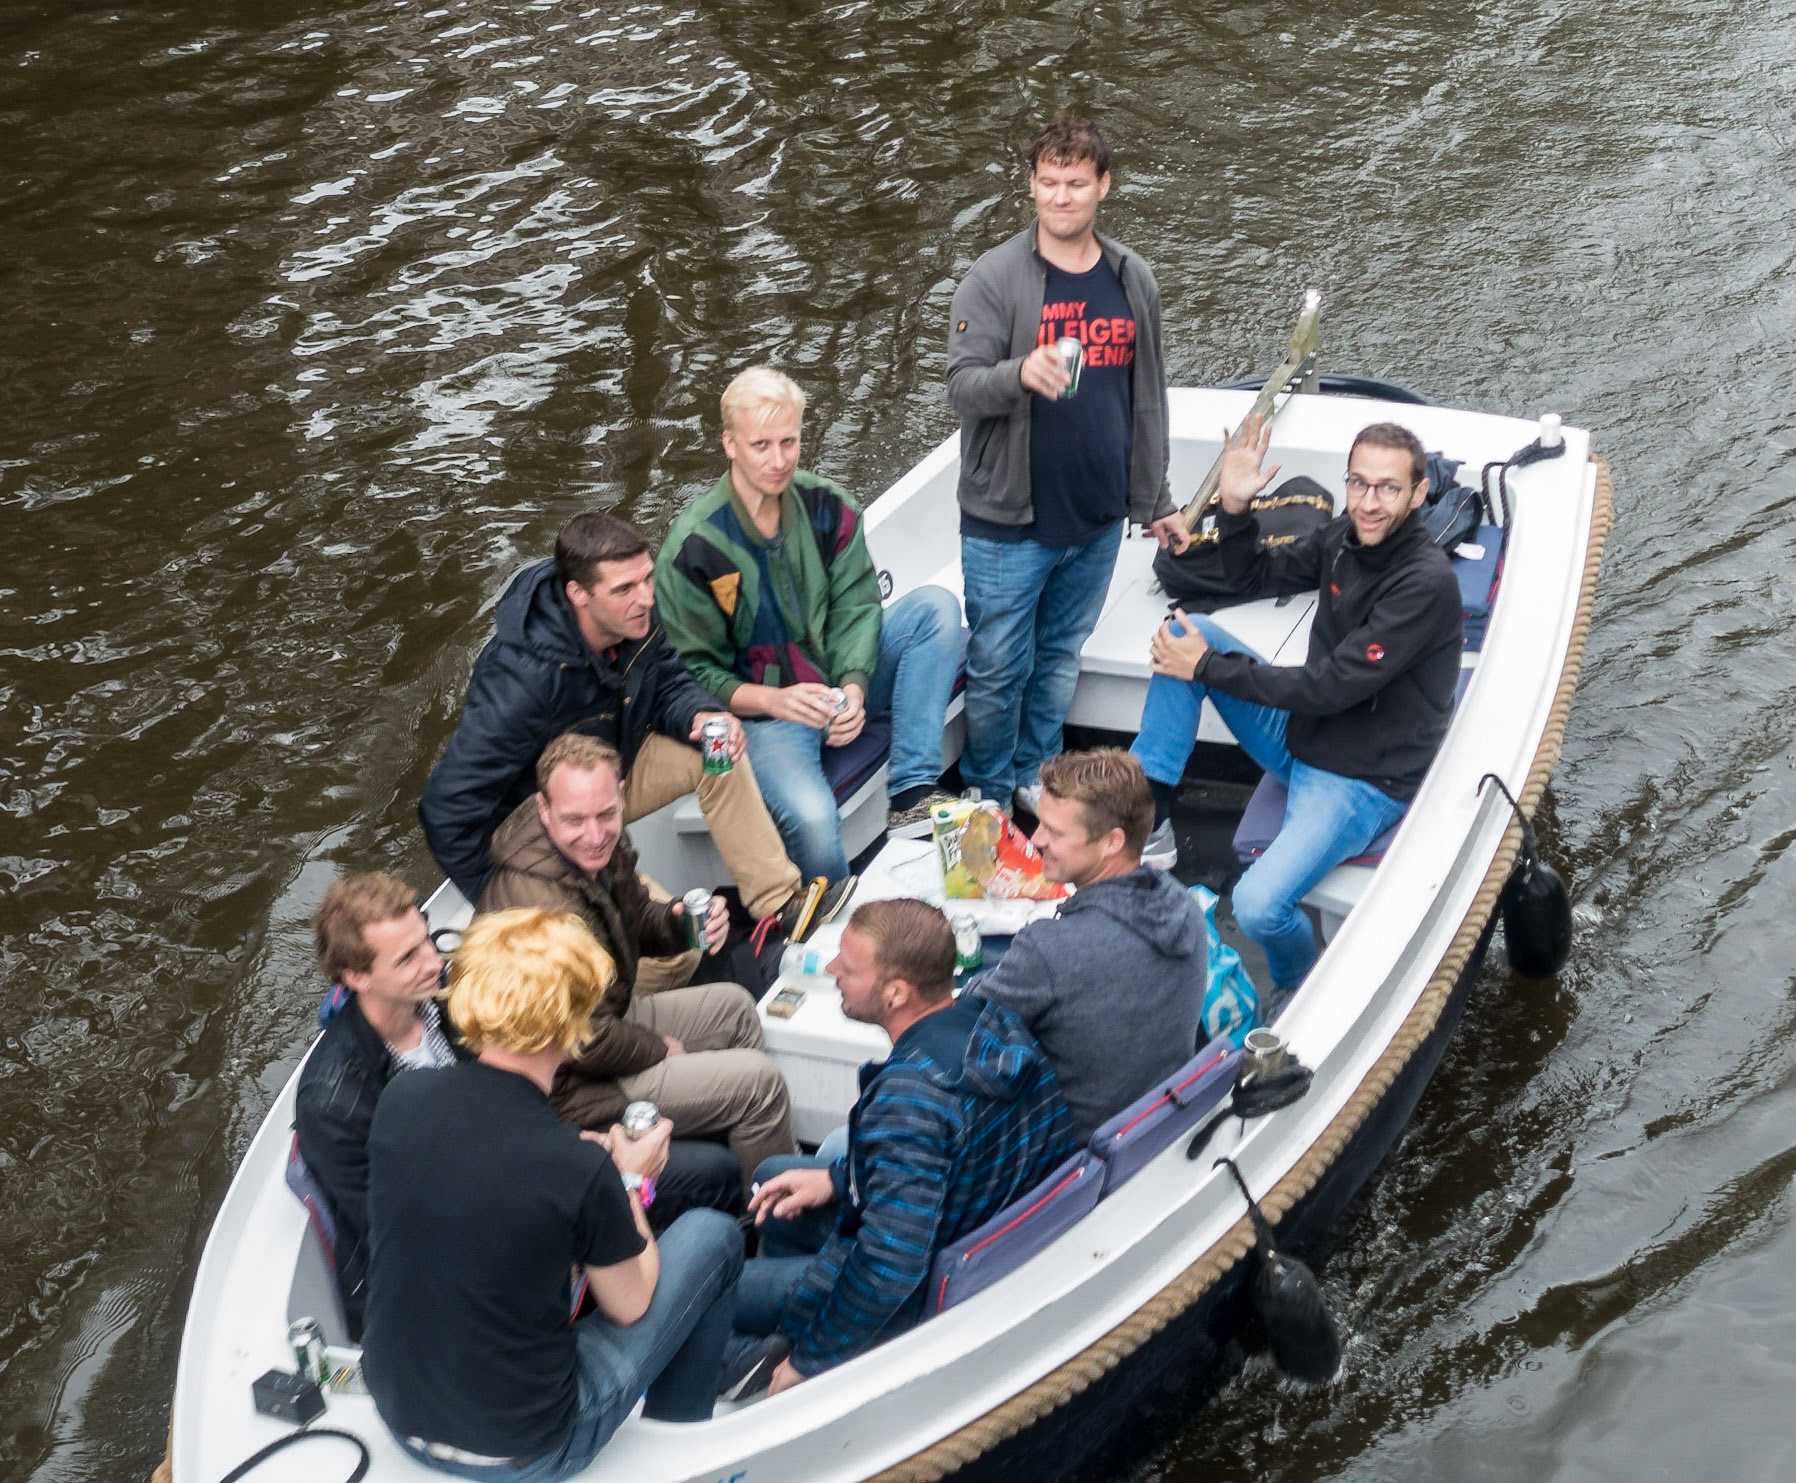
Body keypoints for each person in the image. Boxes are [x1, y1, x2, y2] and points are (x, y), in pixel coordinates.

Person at [361, 907, 742, 1479]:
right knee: (716, 1235)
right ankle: (682, 1448)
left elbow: (485, 1182)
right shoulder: (579, 1167)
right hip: (525, 1449)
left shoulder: (402, 1097)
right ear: (576, 1022)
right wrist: (630, 1182)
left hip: (398, 1415)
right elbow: (631, 1302)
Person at [294, 874, 742, 1339]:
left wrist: (570, 1147)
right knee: (702, 1235)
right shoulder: (334, 1103)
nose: (434, 962)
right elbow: (400, 1233)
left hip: (516, 1183)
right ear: (356, 976)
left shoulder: (443, 1005)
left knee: (716, 1171)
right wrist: (607, 1186)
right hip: (465, 1280)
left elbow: (501, 1109)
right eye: (408, 958)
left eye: (427, 940)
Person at [1131, 414, 1464, 993]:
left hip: (1362, 778)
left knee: (1260, 906)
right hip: (1307, 734)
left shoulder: (1424, 583)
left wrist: (1208, 669)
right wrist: (1234, 511)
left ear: (1418, 493)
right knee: (1194, 632)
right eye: (1358, 483)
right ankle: (1149, 814)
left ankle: (1296, 986)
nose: (1368, 502)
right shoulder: (1343, 538)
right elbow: (1250, 577)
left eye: (1388, 488)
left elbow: (1331, 685)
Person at [418, 510, 844, 940]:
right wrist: (500, 899)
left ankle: (778, 903)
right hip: (551, 818)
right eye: (624, 588)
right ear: (578, 594)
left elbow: (669, 680)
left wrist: (699, 713)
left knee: (718, 755)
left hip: (616, 763)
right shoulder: (520, 683)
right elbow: (446, 808)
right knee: (669, 950)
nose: (646, 598)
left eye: (647, 578)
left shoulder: (635, 615)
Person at [721, 899, 1074, 1397]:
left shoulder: (910, 1098)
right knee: (777, 1182)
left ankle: (784, 1350)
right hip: (970, 1218)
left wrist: (812, 1361)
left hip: (917, 1288)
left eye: (849, 966)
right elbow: (940, 1159)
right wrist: (840, 1179)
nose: (832, 970)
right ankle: (789, 1324)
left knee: (707, 1295)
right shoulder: (992, 1020)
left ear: (895, 993)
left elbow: (891, 1269)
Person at [946, 113, 1189, 817]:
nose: (1060, 197)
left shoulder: (1129, 276)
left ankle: (1037, 774)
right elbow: (962, 387)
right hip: (1008, 523)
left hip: (1095, 517)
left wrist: (1155, 498)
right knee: (998, 667)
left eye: (1075, 183)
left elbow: (1147, 397)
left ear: (1103, 187)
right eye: (1048, 182)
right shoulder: (992, 280)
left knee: (1058, 657)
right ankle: (990, 794)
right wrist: (1020, 372)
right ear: (1031, 186)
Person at [655, 366, 963, 882]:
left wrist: (854, 687)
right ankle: (834, 918)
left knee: (934, 608)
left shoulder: (829, 506)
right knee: (814, 820)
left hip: (832, 682)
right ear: (729, 443)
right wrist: (776, 701)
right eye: (760, 445)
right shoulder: (693, 550)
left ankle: (912, 790)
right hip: (765, 715)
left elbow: (856, 607)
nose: (778, 461)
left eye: (789, 442)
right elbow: (694, 673)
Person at [480, 731, 798, 1188]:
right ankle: (765, 1221)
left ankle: (734, 1148)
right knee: (759, 1085)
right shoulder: (542, 905)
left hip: (609, 1017)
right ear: (544, 811)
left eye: (607, 814)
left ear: (622, 797)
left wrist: (677, 925)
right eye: (575, 820)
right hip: (576, 1087)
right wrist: (657, 1047)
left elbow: (633, 918)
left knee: (734, 1006)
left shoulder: (595, 850)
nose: (594, 835)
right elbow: (578, 1040)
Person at [966, 749, 1208, 1142]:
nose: (1036, 839)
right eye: (1039, 823)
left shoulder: (1048, 952)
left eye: (1055, 832)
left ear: (1112, 842)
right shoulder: (1184, 906)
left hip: (1066, 1157)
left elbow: (965, 1019)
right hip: (1155, 1128)